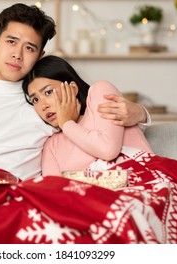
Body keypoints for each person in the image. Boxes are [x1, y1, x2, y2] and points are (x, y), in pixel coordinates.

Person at [0, 3, 149, 187]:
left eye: (29, 47)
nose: (17, 54)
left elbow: (97, 126)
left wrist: (140, 113)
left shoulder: (48, 105)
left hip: (16, 202)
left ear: (40, 56)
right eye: (11, 42)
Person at [22, 55, 153, 175]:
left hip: (147, 187)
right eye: (35, 100)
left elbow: (108, 150)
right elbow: (54, 192)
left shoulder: (100, 92)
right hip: (93, 199)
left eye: (48, 92)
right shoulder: (52, 146)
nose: (43, 105)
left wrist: (67, 124)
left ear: (72, 88)